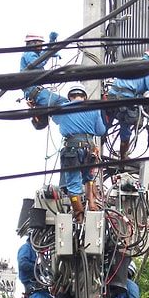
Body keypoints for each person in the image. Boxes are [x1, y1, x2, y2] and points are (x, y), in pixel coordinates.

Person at [31, 82, 106, 223]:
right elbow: (101, 131)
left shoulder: (63, 109)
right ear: (84, 96)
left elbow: (55, 120)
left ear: (70, 97)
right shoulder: (94, 110)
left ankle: (79, 217)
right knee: (89, 178)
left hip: (72, 149)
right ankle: (92, 204)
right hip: (89, 149)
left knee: (73, 186)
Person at [105, 47, 149, 160]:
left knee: (105, 125)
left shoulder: (132, 64)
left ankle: (99, 140)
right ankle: (123, 157)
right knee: (126, 129)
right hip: (125, 101)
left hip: (111, 98)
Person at [18, 234, 53, 298]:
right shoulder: (26, 248)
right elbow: (22, 263)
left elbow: (41, 271)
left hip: (40, 293)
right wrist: (37, 267)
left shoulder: (33, 250)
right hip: (35, 294)